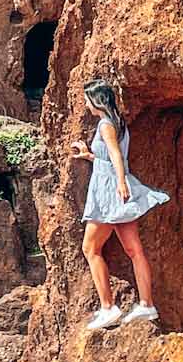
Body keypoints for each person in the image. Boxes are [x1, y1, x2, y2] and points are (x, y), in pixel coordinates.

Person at [70, 79, 167, 333]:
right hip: (116, 185)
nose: (85, 103)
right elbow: (110, 156)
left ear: (96, 101)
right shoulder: (117, 122)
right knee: (134, 249)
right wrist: (89, 155)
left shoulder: (104, 125)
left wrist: (121, 183)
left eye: (86, 99)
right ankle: (147, 304)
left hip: (109, 190)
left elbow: (115, 155)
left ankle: (108, 307)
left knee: (90, 248)